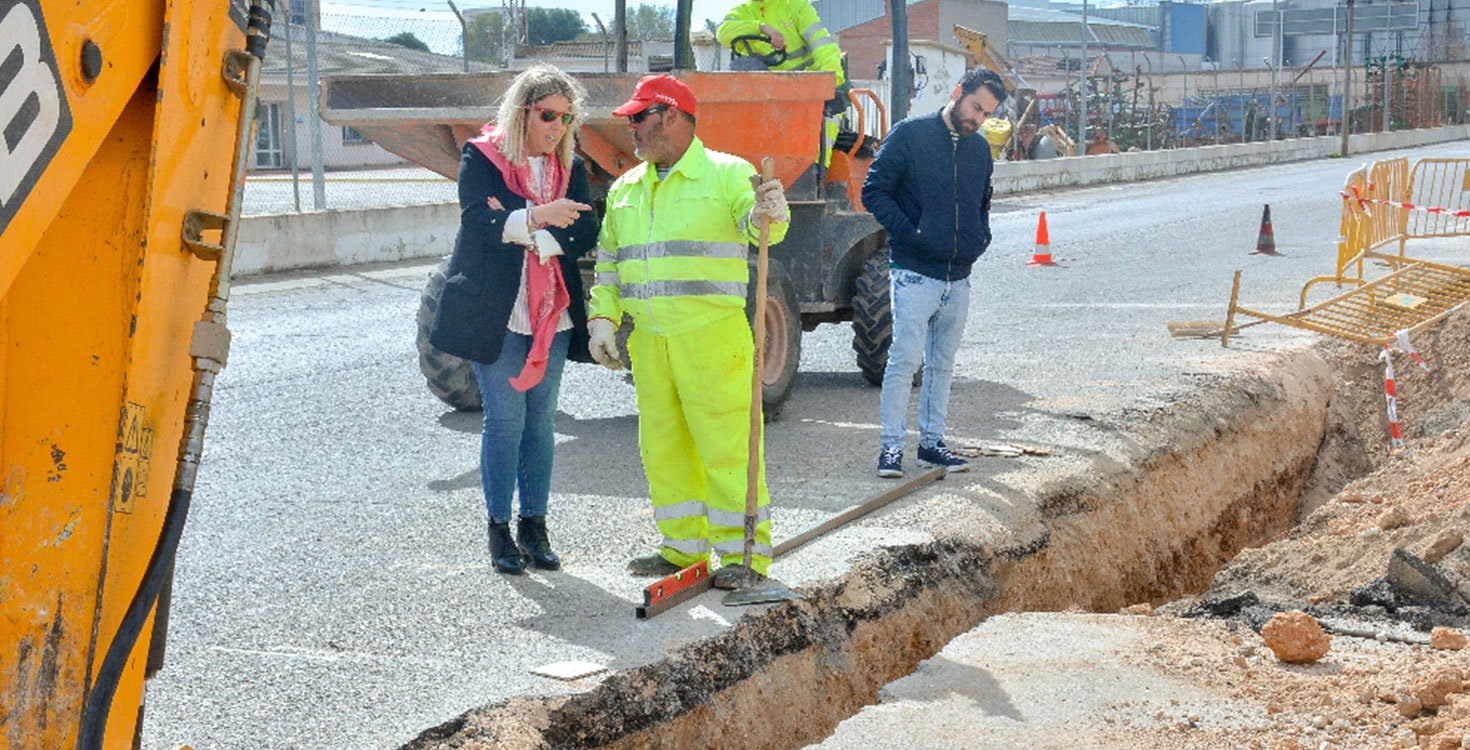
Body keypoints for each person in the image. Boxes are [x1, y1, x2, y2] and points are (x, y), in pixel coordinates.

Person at [586, 74, 791, 589]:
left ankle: (745, 556)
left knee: (727, 450)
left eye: (639, 118)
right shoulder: (626, 189)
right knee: (664, 448)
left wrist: (771, 212)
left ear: (671, 116)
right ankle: (682, 550)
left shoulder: (726, 175)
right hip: (651, 342)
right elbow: (609, 263)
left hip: (712, 337)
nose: (631, 129)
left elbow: (760, 228)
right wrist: (602, 321)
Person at [428, 64, 599, 574]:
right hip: (499, 312)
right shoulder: (481, 157)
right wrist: (542, 217)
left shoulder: (572, 167)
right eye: (548, 115)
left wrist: (535, 232)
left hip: (552, 313)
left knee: (540, 424)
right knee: (506, 421)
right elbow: (477, 220)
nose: (558, 127)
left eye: (566, 118)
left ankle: (534, 525)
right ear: (523, 111)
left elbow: (586, 228)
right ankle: (499, 530)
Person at [860, 67, 1008, 479]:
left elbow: (982, 202)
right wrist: (912, 232)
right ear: (958, 92)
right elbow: (873, 191)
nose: (978, 119)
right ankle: (891, 449)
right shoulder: (910, 135)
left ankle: (931, 444)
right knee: (903, 362)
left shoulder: (979, 151)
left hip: (958, 277)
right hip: (913, 273)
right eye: (976, 106)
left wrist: (981, 238)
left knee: (942, 365)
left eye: (987, 114)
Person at [717, 0, 849, 164]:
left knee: (824, 121)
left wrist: (830, 82)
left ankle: (815, 172)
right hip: (768, 95)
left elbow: (822, 45)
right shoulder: (743, 11)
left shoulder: (796, 6)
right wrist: (761, 27)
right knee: (742, 68)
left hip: (807, 88)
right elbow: (723, 33)